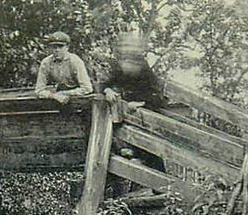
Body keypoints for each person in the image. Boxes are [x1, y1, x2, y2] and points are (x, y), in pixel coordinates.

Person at [99, 32, 168, 174]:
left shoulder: (143, 67)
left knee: (150, 150)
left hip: (143, 114)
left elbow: (158, 96)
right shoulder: (118, 65)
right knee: (121, 145)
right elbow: (104, 84)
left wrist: (140, 103)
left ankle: (161, 189)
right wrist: (107, 90)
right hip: (126, 116)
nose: (126, 50)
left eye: (130, 46)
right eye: (124, 47)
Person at [34, 30, 94, 104]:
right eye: (54, 47)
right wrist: (53, 96)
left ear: (67, 47)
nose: (57, 50)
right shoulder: (46, 63)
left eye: (60, 47)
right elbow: (39, 90)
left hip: (80, 98)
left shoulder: (75, 61)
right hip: (59, 99)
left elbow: (87, 88)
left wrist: (64, 93)